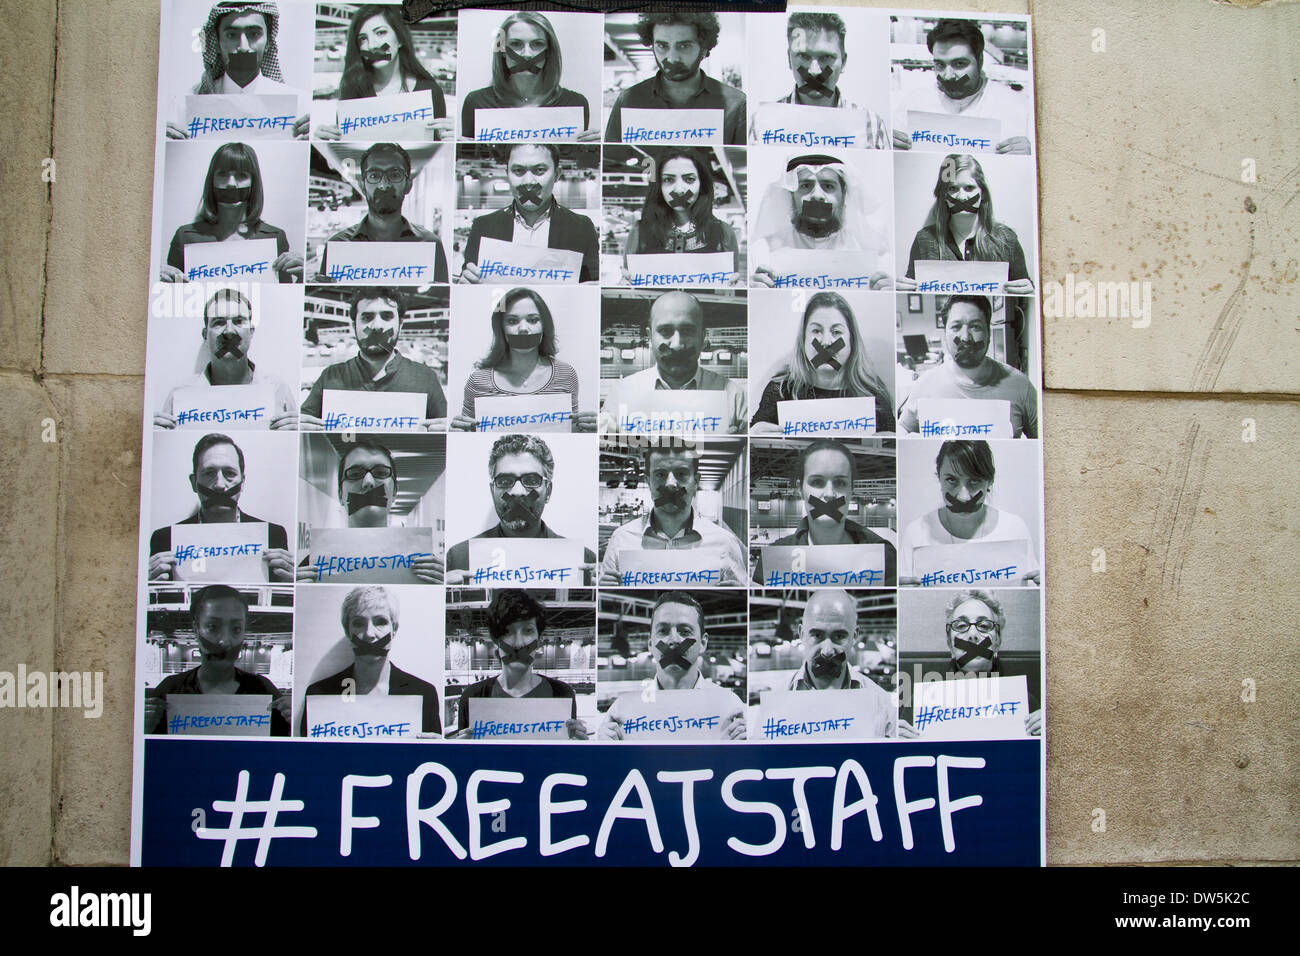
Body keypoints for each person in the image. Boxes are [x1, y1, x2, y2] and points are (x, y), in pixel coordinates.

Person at [444, 434, 597, 584]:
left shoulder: (584, 561)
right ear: (492, 491)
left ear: (548, 492)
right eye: (505, 481)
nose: (517, 492)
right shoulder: (460, 559)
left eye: (531, 480)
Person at [143, 585, 290, 735]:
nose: (225, 641)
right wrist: (142, 729)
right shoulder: (170, 688)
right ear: (196, 629)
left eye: (236, 629)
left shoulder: (263, 689)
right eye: (213, 627)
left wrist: (296, 723)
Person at [597, 591, 746, 740]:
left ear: (703, 643)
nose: (673, 640)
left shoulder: (730, 706)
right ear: (650, 643)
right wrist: (603, 748)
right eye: (663, 631)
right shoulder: (623, 709)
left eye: (685, 631)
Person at [295, 438, 444, 584]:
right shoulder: (311, 566)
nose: (368, 482)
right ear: (341, 495)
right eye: (354, 474)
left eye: (380, 472)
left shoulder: (426, 566)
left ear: (394, 493)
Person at [298, 586, 441, 737]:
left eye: (380, 622)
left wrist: (437, 750)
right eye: (359, 623)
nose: (369, 634)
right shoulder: (319, 695)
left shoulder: (423, 693)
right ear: (348, 631)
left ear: (394, 629)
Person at [299, 286, 448, 431]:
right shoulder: (330, 377)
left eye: (387, 316)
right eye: (367, 317)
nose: (377, 326)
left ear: (400, 324)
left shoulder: (424, 378)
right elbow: (304, 423)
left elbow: (445, 427)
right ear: (354, 326)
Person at [149, 433, 292, 582]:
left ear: (242, 482)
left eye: (229, 473)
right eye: (209, 473)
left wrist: (290, 584)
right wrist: (147, 585)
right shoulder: (165, 540)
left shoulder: (273, 536)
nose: (219, 485)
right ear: (194, 483)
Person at [751, 438, 897, 586]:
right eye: (817, 482)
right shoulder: (774, 559)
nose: (829, 493)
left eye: (840, 483)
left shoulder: (884, 556)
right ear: (800, 490)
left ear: (851, 490)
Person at [897, 589, 1042, 737]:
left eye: (984, 626)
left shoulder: (1025, 703)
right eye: (961, 626)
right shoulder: (919, 705)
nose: (972, 635)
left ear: (998, 642)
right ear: (950, 644)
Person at [449, 287, 595, 433]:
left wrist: (588, 429)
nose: (523, 328)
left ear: (544, 326)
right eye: (512, 321)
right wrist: (458, 433)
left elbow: (571, 431)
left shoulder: (566, 374)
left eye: (533, 320)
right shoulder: (478, 381)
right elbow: (468, 434)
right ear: (501, 328)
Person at [600, 442, 748, 586]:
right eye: (660, 474)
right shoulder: (621, 539)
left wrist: (741, 591)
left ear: (696, 481)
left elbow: (743, 589)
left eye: (681, 474)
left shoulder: (725, 542)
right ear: (648, 481)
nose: (670, 484)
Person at [599, 291, 747, 434]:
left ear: (702, 337)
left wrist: (740, 446)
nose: (676, 345)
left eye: (688, 330)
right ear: (650, 336)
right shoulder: (620, 394)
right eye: (665, 330)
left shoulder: (734, 397)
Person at [750, 291, 895, 434]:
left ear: (852, 341)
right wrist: (754, 434)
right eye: (816, 331)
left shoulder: (872, 392)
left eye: (836, 332)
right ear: (803, 340)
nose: (826, 342)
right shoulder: (781, 390)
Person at [897, 439, 1039, 586]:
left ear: (990, 481)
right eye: (951, 480)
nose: (963, 497)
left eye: (975, 481)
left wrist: (1042, 587)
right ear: (939, 478)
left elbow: (1031, 584)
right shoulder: (917, 532)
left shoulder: (1014, 528)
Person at [452, 589, 588, 739]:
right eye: (507, 632)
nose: (518, 643)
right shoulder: (473, 696)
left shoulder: (562, 694)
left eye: (528, 630)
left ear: (539, 639)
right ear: (496, 641)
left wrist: (578, 748)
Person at [155, 288, 298, 429]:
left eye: (238, 321)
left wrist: (300, 432)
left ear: (251, 332)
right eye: (219, 322)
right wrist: (152, 434)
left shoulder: (278, 389)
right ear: (205, 334)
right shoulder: (180, 394)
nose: (229, 331)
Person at [896, 294, 1038, 437]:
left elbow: (1045, 442)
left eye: (975, 327)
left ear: (988, 334)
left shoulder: (1021, 385)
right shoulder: (925, 384)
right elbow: (903, 429)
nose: (965, 338)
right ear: (945, 334)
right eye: (956, 327)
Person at [458, 143, 600, 284]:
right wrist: (465, 284)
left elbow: (591, 281)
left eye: (539, 170)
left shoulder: (581, 228)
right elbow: (469, 278)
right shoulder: (483, 226)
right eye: (518, 170)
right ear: (507, 173)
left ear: (557, 174)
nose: (528, 182)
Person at [161, 142, 302, 283]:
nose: (231, 183)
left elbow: (283, 298)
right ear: (212, 180)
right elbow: (175, 298)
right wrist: (159, 282)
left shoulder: (275, 237)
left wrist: (303, 278)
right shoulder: (185, 237)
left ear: (254, 182)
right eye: (222, 174)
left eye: (242, 175)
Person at [166, 1, 309, 140]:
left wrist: (313, 138)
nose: (243, 46)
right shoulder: (184, 105)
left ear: (268, 42)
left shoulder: (300, 105)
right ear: (216, 42)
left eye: (253, 34)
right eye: (231, 35)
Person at [891, 18, 1032, 155]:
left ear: (980, 60)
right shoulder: (914, 102)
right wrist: (889, 148)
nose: (948, 76)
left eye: (959, 64)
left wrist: (1031, 157)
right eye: (940, 64)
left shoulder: (1017, 108)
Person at [896, 154, 1033, 294]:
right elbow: (911, 291)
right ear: (943, 196)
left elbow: (1024, 296)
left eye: (969, 188)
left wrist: (1030, 290)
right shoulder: (925, 240)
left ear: (983, 193)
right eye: (952, 189)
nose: (962, 197)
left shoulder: (1006, 240)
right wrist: (899, 289)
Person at [750, 11, 889, 149]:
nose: (814, 71)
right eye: (803, 56)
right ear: (789, 59)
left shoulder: (871, 126)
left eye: (826, 57)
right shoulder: (762, 122)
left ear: (844, 61)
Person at [751, 152, 891, 289]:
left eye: (828, 186)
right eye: (806, 185)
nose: (817, 196)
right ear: (791, 195)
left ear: (843, 196)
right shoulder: (763, 252)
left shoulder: (870, 254)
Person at [313, 143, 449, 283]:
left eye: (395, 175)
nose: (384, 185)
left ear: (408, 185)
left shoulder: (431, 245)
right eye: (374, 175)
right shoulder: (337, 245)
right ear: (362, 186)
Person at [605, 11, 746, 146]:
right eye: (662, 46)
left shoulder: (735, 104)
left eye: (684, 46)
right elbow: (610, 159)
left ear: (703, 48)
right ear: (652, 45)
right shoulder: (629, 99)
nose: (672, 58)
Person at [315, 4, 451, 141]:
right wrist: (324, 144)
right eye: (363, 38)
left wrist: (451, 141)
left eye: (380, 32)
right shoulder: (352, 90)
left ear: (400, 39)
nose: (372, 45)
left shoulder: (431, 91)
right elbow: (346, 158)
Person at [460, 10, 594, 140]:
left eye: (537, 44)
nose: (527, 54)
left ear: (549, 52)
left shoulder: (575, 104)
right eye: (516, 44)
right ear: (503, 51)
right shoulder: (476, 102)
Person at [786, 589, 895, 737]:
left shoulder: (882, 703)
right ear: (801, 634)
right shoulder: (775, 699)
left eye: (839, 636)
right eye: (817, 635)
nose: (827, 651)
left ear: (854, 636)